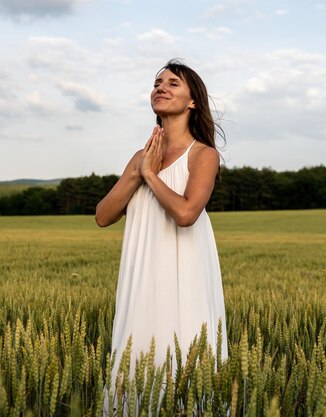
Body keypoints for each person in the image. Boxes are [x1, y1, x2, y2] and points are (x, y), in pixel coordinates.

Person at [96, 59, 228, 407]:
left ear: (192, 101)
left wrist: (151, 176)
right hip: (141, 276)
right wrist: (139, 172)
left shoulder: (203, 154)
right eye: (157, 82)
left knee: (185, 352)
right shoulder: (142, 156)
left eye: (172, 83)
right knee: (137, 353)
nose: (161, 87)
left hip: (184, 275)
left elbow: (186, 213)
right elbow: (104, 215)